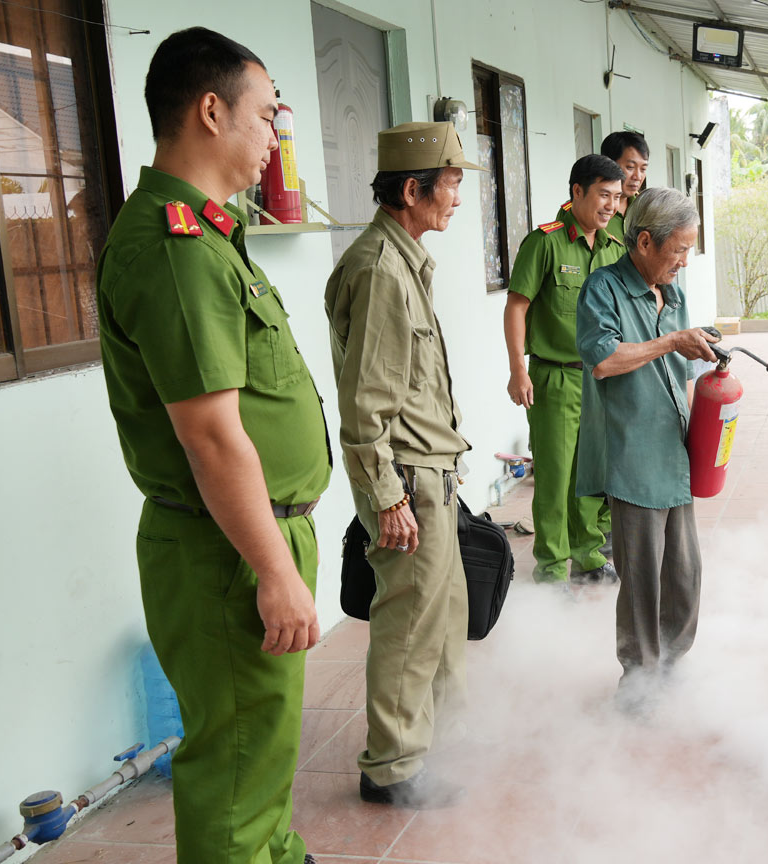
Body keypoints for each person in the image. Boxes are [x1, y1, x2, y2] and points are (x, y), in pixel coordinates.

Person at [95, 27, 330, 864]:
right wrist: (274, 571)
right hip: (228, 549)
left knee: (257, 751)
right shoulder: (175, 246)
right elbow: (211, 437)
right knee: (233, 769)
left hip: (247, 536)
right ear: (209, 110)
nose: (275, 134)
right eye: (267, 114)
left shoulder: (211, 232)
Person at [323, 121, 481, 809]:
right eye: (449, 185)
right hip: (409, 486)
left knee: (443, 623)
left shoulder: (404, 257)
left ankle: (435, 746)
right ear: (413, 190)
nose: (455, 198)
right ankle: (390, 769)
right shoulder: (382, 270)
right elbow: (366, 408)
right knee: (409, 626)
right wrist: (387, 499)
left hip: (431, 477)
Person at [575, 187, 719, 709]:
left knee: (684, 572)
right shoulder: (603, 289)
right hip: (632, 454)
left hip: (672, 450)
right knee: (641, 579)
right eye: (678, 249)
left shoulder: (672, 294)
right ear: (643, 241)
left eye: (689, 249)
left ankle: (670, 666)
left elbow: (678, 363)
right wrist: (672, 343)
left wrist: (704, 358)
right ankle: (637, 683)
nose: (684, 260)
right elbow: (604, 359)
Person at [505, 155, 628, 585]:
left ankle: (588, 557)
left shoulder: (615, 247)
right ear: (577, 191)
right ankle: (553, 572)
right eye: (603, 195)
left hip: (600, 380)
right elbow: (516, 306)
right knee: (556, 482)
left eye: (617, 196)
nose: (611, 205)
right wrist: (517, 368)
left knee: (592, 475)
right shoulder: (545, 242)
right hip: (554, 378)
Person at [599, 130, 649, 242]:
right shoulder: (585, 208)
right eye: (630, 167)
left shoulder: (646, 209)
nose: (638, 177)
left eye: (643, 169)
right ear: (608, 164)